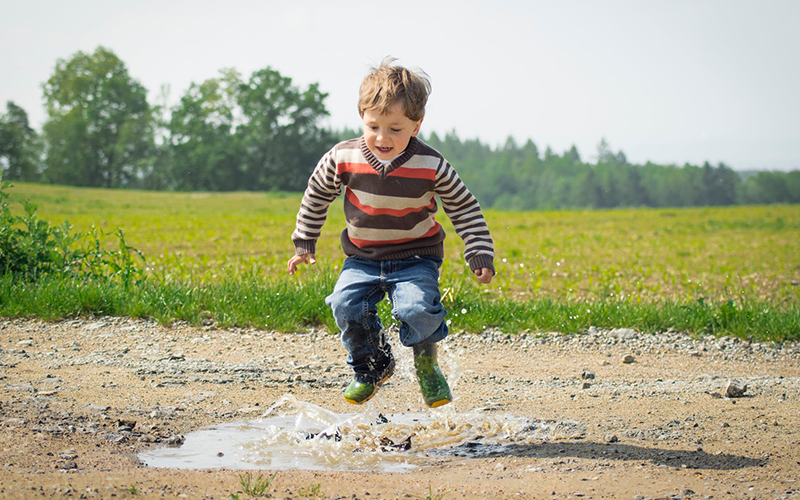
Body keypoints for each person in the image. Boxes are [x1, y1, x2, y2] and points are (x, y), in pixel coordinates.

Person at [287, 57, 495, 408]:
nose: (382, 138)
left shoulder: (432, 165)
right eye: (374, 126)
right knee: (345, 305)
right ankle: (372, 366)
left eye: (395, 129)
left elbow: (463, 207)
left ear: (416, 125)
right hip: (362, 257)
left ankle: (427, 364)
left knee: (415, 309)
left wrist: (478, 251)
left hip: (416, 257)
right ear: (362, 119)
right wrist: (304, 240)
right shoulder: (343, 157)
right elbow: (317, 194)